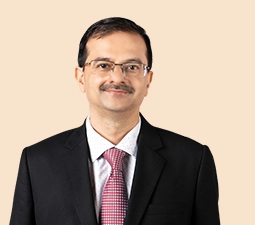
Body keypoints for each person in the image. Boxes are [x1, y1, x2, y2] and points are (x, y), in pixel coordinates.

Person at [10, 17, 220, 225]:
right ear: (81, 77)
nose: (118, 77)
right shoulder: (37, 162)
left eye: (132, 67)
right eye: (103, 65)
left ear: (148, 80)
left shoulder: (193, 161)